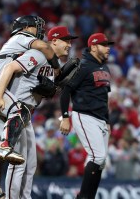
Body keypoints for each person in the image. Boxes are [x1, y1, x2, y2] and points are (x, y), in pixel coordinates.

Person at [0, 15, 61, 198]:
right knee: (18, 112)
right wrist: (56, 67)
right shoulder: (23, 38)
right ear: (27, 28)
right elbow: (43, 47)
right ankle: (5, 146)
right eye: (36, 27)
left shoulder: (14, 45)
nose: (39, 31)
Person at [0, 25, 77, 199]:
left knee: (30, 164)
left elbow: (45, 90)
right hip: (15, 110)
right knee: (18, 162)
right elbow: (9, 68)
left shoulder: (55, 65)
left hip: (26, 113)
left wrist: (54, 88)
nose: (69, 45)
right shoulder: (38, 55)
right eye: (66, 41)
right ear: (54, 40)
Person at [59, 32, 114, 199]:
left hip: (101, 118)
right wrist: (65, 117)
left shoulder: (105, 68)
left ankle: (88, 196)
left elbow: (104, 97)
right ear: (94, 46)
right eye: (104, 45)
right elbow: (65, 91)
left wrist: (108, 121)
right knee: (97, 157)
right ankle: (83, 197)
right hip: (84, 115)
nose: (108, 48)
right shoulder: (83, 66)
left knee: (101, 162)